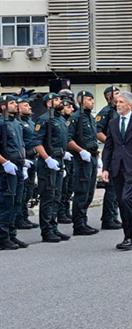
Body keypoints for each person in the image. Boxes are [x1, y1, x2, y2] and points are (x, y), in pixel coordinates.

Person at [102, 91, 132, 250]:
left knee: (126, 199)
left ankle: (130, 236)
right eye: (117, 102)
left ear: (130, 105)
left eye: (121, 102)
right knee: (122, 202)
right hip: (117, 168)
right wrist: (105, 168)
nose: (118, 105)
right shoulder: (113, 123)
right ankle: (127, 236)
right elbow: (108, 147)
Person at [33, 93, 71, 242]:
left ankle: (54, 228)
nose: (60, 101)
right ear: (49, 103)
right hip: (48, 162)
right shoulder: (43, 119)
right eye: (56, 100)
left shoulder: (60, 119)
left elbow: (61, 140)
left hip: (59, 160)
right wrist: (47, 158)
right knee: (48, 197)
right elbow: (37, 142)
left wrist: (64, 155)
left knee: (57, 196)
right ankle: (47, 230)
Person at [67, 91, 101, 236]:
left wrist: (97, 156)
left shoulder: (90, 118)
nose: (92, 101)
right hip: (82, 159)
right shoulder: (75, 117)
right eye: (88, 99)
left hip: (91, 157)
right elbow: (68, 140)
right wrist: (81, 151)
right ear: (80, 101)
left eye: (92, 99)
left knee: (89, 192)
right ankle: (79, 224)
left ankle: (83, 221)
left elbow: (93, 138)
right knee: (81, 191)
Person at [0, 95, 29, 249]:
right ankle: (2, 237)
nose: (15, 105)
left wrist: (23, 163)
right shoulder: (1, 123)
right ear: (3, 106)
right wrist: (5, 163)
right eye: (11, 103)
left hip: (17, 166)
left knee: (16, 201)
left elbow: (20, 145)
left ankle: (12, 234)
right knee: (6, 202)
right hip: (5, 168)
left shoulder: (16, 123)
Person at [96, 86, 122, 230]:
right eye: (116, 93)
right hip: (112, 153)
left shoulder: (118, 111)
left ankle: (113, 215)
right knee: (112, 187)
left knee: (118, 186)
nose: (119, 95)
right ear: (109, 96)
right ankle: (108, 218)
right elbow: (97, 131)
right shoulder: (105, 112)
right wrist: (110, 143)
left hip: (120, 153)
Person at [15, 96, 39, 230]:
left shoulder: (30, 121)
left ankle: (24, 217)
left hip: (32, 159)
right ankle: (19, 218)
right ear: (18, 108)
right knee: (22, 192)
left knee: (29, 190)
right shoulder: (17, 122)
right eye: (25, 105)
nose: (29, 107)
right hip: (23, 159)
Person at [57, 97, 75, 224]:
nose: (72, 109)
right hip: (61, 156)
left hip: (69, 157)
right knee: (62, 187)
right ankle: (61, 212)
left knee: (69, 186)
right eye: (68, 107)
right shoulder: (59, 121)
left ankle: (66, 211)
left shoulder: (68, 121)